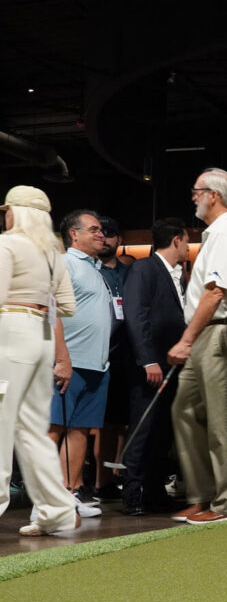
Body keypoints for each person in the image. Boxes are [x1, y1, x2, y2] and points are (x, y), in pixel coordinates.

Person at [167, 168, 227, 525]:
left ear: (212, 195)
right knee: (183, 410)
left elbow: (217, 291)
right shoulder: (217, 232)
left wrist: (186, 339)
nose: (193, 197)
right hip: (206, 334)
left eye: (196, 191)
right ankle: (202, 496)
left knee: (223, 419)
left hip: (221, 332)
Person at [0, 186, 80, 536]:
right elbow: (67, 306)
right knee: (31, 430)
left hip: (11, 332)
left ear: (16, 212)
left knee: (2, 424)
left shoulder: (6, 245)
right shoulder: (52, 253)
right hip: (41, 336)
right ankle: (57, 510)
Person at [120, 218, 190, 515]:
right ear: (176, 239)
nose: (188, 247)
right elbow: (136, 315)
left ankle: (155, 491)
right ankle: (132, 493)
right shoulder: (144, 268)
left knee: (163, 431)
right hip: (151, 365)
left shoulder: (180, 275)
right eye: (187, 241)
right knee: (144, 428)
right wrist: (149, 359)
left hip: (174, 365)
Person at [47, 208, 110, 516]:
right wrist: (62, 358)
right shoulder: (65, 263)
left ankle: (69, 492)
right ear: (74, 234)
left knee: (82, 429)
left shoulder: (94, 268)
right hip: (69, 361)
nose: (101, 234)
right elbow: (52, 312)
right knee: (54, 427)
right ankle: (46, 498)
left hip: (96, 364)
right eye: (94, 229)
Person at [94, 215, 133, 502]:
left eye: (110, 233)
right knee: (101, 424)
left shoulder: (130, 271)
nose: (104, 237)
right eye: (99, 232)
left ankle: (121, 478)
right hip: (97, 353)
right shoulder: (89, 270)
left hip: (128, 354)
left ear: (119, 239)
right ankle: (99, 481)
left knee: (123, 421)